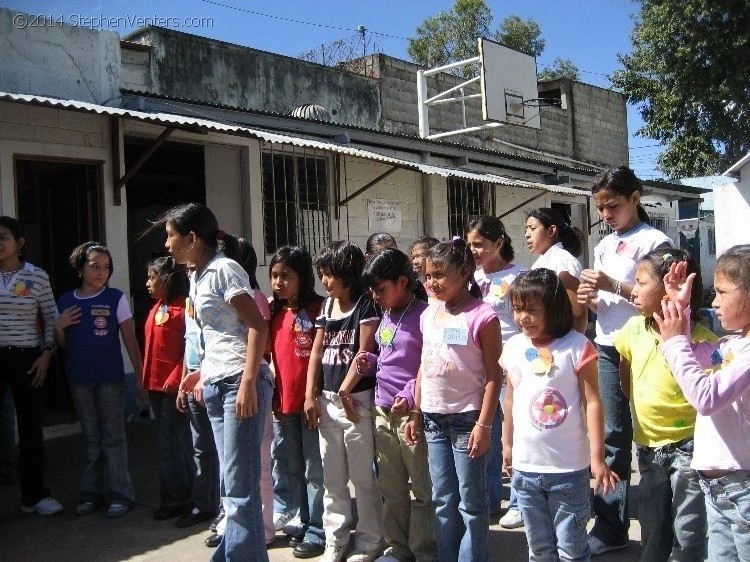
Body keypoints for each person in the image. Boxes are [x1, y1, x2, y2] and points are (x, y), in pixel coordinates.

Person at [165, 203, 270, 562]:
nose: (167, 244)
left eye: (171, 236)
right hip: (216, 381)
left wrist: (248, 382)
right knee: (232, 487)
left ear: (192, 238)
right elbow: (217, 333)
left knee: (240, 489)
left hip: (238, 385)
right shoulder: (198, 275)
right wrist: (198, 371)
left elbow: (258, 325)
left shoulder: (225, 270)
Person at [577, 166, 672, 556]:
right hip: (608, 344)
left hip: (648, 346)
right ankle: (611, 524)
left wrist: (610, 285)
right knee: (613, 435)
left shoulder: (655, 240)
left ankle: (664, 527)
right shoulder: (604, 244)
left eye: (612, 205)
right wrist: (591, 298)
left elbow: (662, 293)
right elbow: (610, 303)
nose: (605, 214)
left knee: (653, 435)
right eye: (600, 208)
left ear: (636, 198)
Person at [502, 268, 617, 561]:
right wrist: (507, 445)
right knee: (539, 550)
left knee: (572, 550)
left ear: (553, 309)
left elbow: (593, 402)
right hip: (526, 470)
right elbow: (511, 398)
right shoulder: (514, 347)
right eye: (517, 309)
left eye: (531, 310)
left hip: (568, 470)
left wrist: (597, 456)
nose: (522, 317)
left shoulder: (577, 347)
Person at [404, 237, 502, 562]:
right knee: (443, 499)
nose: (432, 283)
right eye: (428, 276)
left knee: (471, 502)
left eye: (440, 275)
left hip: (467, 420)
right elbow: (423, 366)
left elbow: (494, 375)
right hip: (433, 420)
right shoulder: (428, 315)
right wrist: (416, 411)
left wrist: (485, 424)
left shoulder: (482, 316)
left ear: (464, 271)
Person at [655, 245, 750, 561]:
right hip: (719, 489)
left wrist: (674, 343)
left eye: (722, 292)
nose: (714, 301)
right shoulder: (733, 346)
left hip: (742, 489)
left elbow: (705, 397)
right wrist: (677, 307)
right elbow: (692, 358)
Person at [615, 248, 710, 561]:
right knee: (653, 529)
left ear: (673, 288)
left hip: (690, 449)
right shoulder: (631, 331)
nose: (635, 290)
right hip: (647, 449)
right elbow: (625, 379)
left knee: (688, 530)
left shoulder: (705, 342)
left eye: (642, 283)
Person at [303, 241, 383, 562]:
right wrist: (311, 394)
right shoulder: (326, 307)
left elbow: (365, 353)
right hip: (329, 401)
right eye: (322, 274)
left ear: (347, 274)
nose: (325, 281)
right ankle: (335, 539)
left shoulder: (366, 305)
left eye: (330, 274)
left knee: (363, 475)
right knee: (332, 476)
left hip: (357, 401)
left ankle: (369, 540)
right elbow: (317, 351)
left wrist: (347, 390)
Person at [357, 249, 437, 562]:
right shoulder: (388, 314)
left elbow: (427, 364)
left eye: (381, 289)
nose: (375, 296)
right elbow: (391, 356)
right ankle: (399, 547)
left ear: (403, 282)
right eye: (372, 290)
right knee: (391, 488)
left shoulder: (425, 315)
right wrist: (370, 361)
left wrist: (410, 392)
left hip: (410, 414)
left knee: (420, 489)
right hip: (382, 410)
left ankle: (425, 550)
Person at [54, 241, 143, 518]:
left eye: (105, 267)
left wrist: (140, 376)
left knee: (113, 437)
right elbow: (63, 344)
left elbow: (130, 338)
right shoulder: (67, 301)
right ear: (80, 268)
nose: (101, 272)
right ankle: (91, 493)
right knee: (92, 438)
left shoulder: (115, 298)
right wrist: (59, 326)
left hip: (110, 379)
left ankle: (120, 494)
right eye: (94, 266)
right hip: (80, 379)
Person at [466, 216, 526, 526]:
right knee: (487, 431)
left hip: (513, 365)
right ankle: (490, 499)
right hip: (481, 366)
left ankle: (518, 501)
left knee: (514, 434)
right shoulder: (470, 278)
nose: (474, 250)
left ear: (499, 242)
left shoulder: (520, 276)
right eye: (470, 245)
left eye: (480, 244)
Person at [0, 216, 62, 515]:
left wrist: (46, 353)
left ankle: (34, 496)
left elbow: (51, 317)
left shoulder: (36, 276)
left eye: (3, 237)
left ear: (19, 243)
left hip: (27, 356)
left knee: (30, 426)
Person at [268, 246, 326, 559]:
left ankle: (318, 528)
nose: (278, 282)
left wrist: (311, 396)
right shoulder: (273, 313)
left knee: (313, 468)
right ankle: (303, 519)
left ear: (302, 277)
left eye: (285, 276)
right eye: (274, 275)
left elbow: (319, 358)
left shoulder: (319, 309)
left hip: (309, 404)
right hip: (282, 405)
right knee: (291, 468)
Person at [141, 256, 192, 521]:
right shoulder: (157, 307)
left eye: (152, 277)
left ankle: (178, 499)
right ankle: (178, 494)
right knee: (169, 444)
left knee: (170, 444)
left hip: (172, 387)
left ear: (167, 280)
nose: (148, 283)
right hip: (155, 386)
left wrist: (176, 380)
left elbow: (190, 348)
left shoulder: (184, 308)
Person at [176, 265, 221, 534]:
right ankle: (204, 503)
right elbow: (189, 341)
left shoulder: (213, 296)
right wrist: (184, 381)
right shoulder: (189, 299)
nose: (191, 272)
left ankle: (221, 506)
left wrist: (204, 376)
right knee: (200, 446)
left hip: (211, 377)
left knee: (220, 448)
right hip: (192, 378)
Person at [526, 207, 588, 333]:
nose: (527, 234)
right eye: (526, 229)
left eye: (532, 229)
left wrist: (571, 345)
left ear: (552, 231)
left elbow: (578, 313)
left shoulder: (562, 262)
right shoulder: (542, 261)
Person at [409, 236, 439, 300]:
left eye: (419, 256)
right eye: (413, 257)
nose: (415, 262)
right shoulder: (423, 287)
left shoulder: (442, 284)